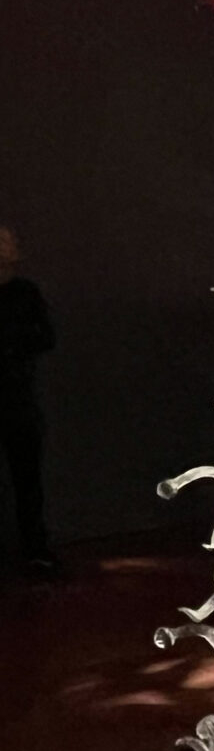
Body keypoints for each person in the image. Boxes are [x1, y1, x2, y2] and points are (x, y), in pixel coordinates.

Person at [0, 226, 58, 574]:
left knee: (27, 478)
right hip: (18, 397)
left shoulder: (25, 293)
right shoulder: (24, 294)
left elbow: (46, 337)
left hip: (18, 399)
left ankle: (35, 548)